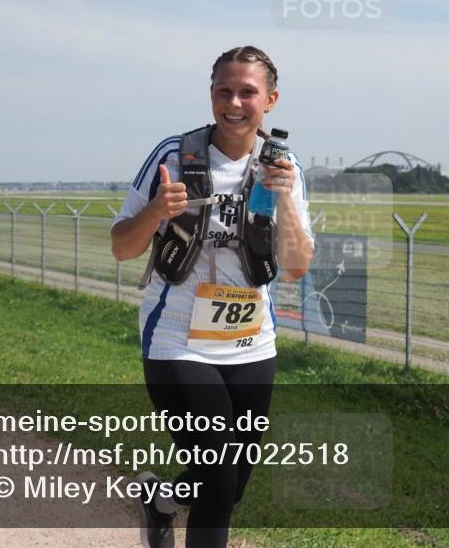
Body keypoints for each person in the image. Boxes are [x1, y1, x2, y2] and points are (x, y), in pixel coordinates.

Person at [110, 46, 314, 548]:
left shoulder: (284, 167)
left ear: (270, 100)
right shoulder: (174, 155)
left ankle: (162, 502)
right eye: (224, 90)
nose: (234, 102)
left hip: (252, 344)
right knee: (218, 478)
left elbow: (296, 265)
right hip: (177, 339)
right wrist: (157, 211)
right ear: (211, 94)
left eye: (248, 91)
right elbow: (121, 247)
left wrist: (285, 197)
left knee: (230, 484)